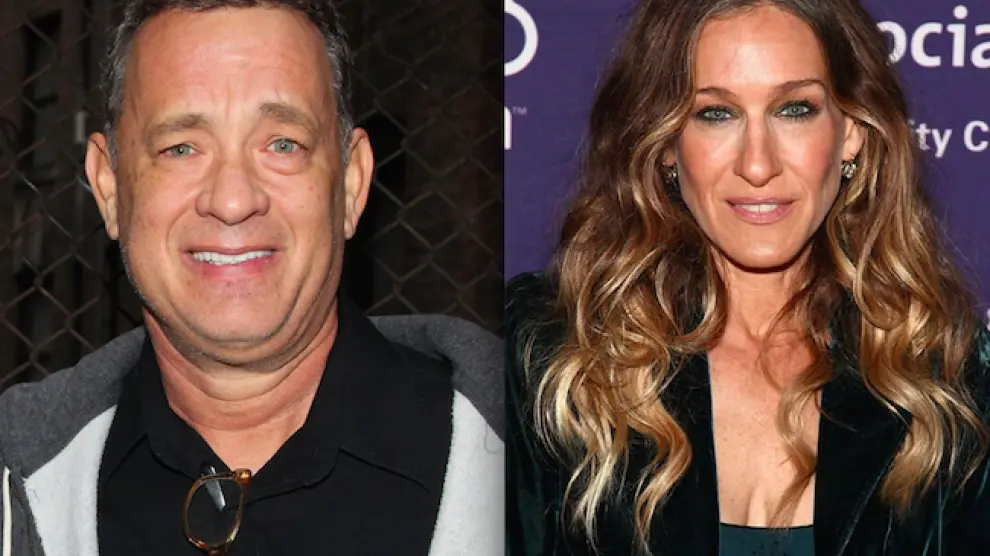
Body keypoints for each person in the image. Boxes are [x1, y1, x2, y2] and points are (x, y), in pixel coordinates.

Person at [0, 1, 503, 555]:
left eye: (282, 143)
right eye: (181, 148)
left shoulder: (527, 463)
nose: (233, 200)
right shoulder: (22, 481)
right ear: (110, 188)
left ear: (352, 183)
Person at [506, 0, 990, 554]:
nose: (758, 165)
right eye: (716, 114)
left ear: (852, 133)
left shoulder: (948, 378)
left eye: (794, 109)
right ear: (665, 145)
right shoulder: (552, 355)